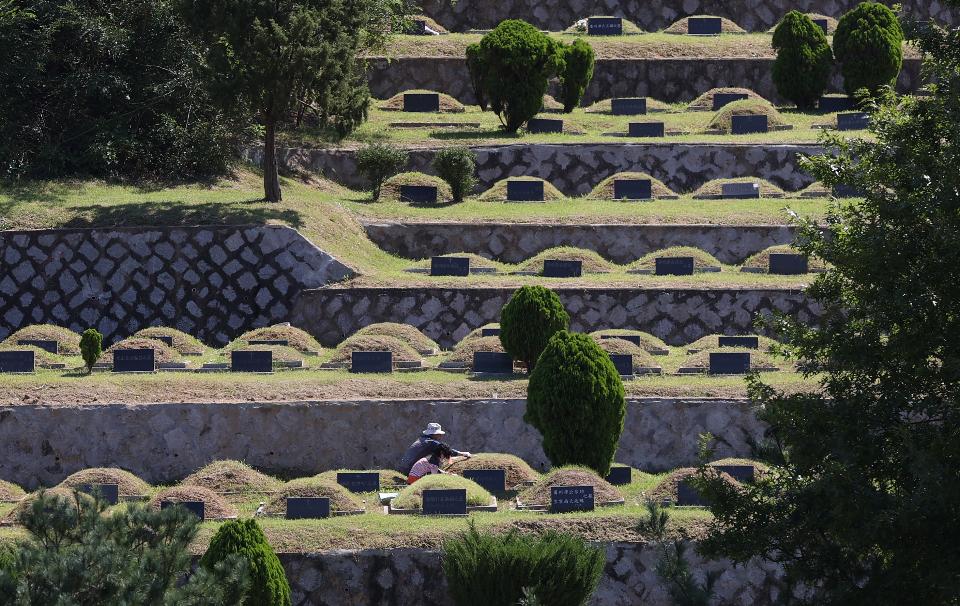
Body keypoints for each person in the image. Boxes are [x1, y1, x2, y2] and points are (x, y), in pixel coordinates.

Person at [396, 422, 471, 477]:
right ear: (434, 434)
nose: (441, 436)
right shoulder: (430, 443)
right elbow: (446, 450)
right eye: (439, 434)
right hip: (409, 471)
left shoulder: (422, 440)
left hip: (404, 469)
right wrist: (463, 454)